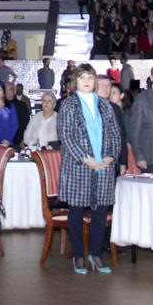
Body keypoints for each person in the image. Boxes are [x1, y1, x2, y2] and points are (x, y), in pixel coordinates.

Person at [58, 66, 120, 275]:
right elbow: (66, 137)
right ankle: (78, 255)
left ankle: (95, 254)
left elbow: (115, 134)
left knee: (100, 212)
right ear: (75, 81)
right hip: (79, 166)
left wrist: (111, 156)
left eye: (90, 77)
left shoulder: (105, 105)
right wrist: (86, 158)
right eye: (82, 77)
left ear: (95, 81)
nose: (86, 80)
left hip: (104, 166)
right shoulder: (68, 105)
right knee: (76, 211)